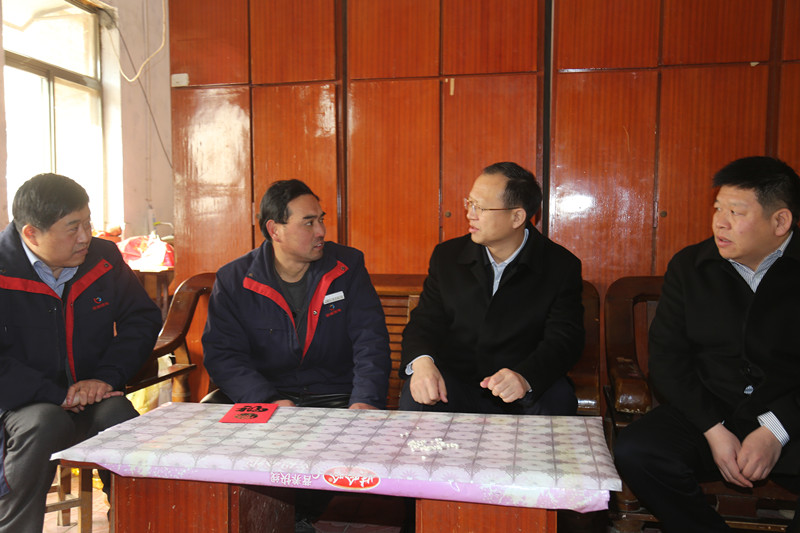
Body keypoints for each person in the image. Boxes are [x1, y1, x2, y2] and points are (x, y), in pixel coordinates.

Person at [614, 156, 800, 533]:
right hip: (710, 411)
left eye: (736, 212)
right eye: (718, 209)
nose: (720, 223)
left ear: (780, 221)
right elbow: (667, 361)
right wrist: (713, 429)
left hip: (790, 415)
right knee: (638, 450)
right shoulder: (690, 266)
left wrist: (776, 430)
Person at [202, 179, 391, 532]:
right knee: (209, 423)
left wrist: (365, 400)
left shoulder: (347, 266)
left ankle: (296, 517)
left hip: (333, 394)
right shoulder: (234, 278)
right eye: (308, 222)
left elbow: (371, 340)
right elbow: (223, 354)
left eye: (321, 219)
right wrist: (268, 399)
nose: (321, 231)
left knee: (340, 436)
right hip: (267, 393)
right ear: (275, 230)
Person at [0, 173, 162, 533]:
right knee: (45, 422)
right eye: (73, 228)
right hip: (18, 405)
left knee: (120, 416)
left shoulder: (103, 257)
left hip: (92, 396)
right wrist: (56, 395)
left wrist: (106, 377)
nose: (86, 237)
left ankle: (136, 523)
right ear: (31, 234)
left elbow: (141, 319)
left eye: (87, 223)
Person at [399, 161, 584, 415]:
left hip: (520, 385)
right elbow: (425, 322)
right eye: (470, 203)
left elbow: (564, 339)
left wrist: (524, 377)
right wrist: (422, 363)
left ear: (517, 217)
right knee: (419, 393)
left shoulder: (559, 266)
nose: (470, 214)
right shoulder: (448, 256)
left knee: (557, 399)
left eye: (481, 207)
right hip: (457, 383)